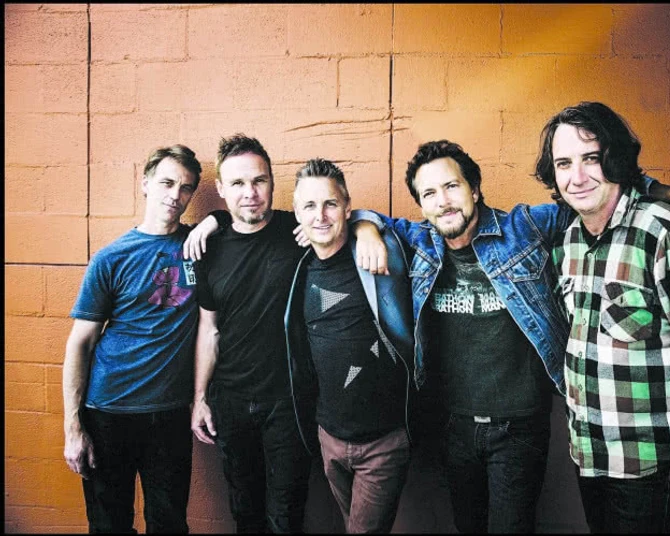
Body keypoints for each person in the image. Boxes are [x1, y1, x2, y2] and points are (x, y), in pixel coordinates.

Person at [348, 139, 670, 533]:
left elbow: (599, 194)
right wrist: (366, 229)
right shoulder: (418, 240)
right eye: (429, 193)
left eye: (452, 186)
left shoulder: (525, 227)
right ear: (421, 205)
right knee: (467, 526)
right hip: (451, 425)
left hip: (518, 427)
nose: (443, 202)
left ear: (475, 189)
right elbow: (363, 216)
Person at [534, 101, 670, 533]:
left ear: (616, 159)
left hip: (648, 460)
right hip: (589, 452)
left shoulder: (666, 233)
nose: (577, 177)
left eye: (591, 158)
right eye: (563, 163)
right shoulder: (569, 240)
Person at [63, 144, 226, 533]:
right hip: (108, 412)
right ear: (145, 184)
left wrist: (214, 220)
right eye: (167, 183)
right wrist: (73, 427)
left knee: (169, 524)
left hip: (169, 415)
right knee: (109, 524)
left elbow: (242, 222)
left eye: (186, 188)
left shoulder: (198, 247)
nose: (175, 195)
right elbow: (79, 344)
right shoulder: (111, 258)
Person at [189, 134, 314, 533]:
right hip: (231, 401)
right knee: (245, 513)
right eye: (238, 183)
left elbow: (349, 216)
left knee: (286, 517)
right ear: (221, 189)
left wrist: (366, 230)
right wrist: (199, 398)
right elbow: (209, 329)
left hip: (289, 402)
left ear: (273, 182)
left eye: (259, 180)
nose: (250, 193)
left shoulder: (300, 232)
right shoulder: (208, 248)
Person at [285, 158, 415, 533]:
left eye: (330, 203)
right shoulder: (296, 265)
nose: (320, 215)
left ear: (347, 207)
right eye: (309, 206)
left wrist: (368, 225)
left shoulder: (380, 252)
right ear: (297, 213)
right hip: (329, 437)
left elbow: (425, 229)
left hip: (383, 440)